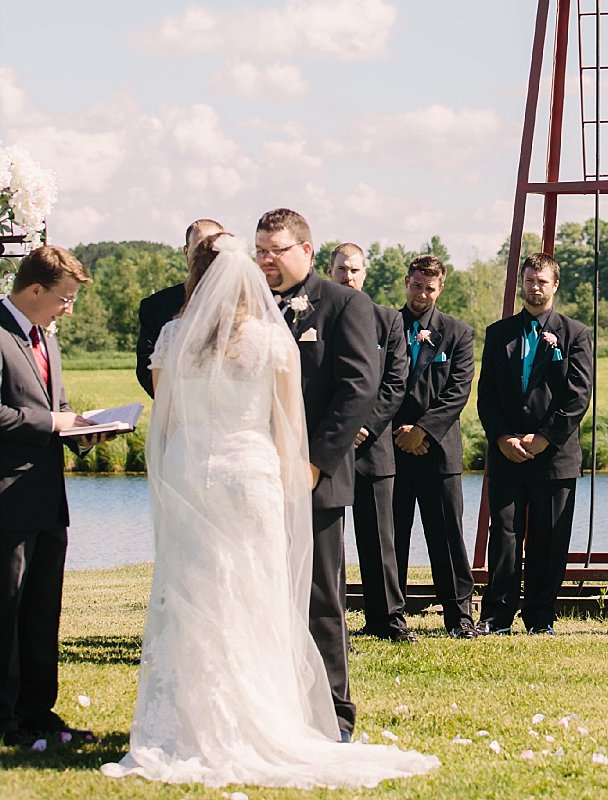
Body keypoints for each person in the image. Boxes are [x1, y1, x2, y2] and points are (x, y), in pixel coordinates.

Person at [100, 234, 437, 787]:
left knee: (193, 594)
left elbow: (170, 419)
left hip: (191, 472)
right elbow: (287, 424)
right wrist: (293, 477)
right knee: (255, 596)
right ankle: (262, 717)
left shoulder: (172, 336)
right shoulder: (270, 339)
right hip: (251, 474)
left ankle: (190, 722)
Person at [251, 207, 378, 738]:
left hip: (314, 479)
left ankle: (332, 715)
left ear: (305, 250)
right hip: (253, 474)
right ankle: (271, 708)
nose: (265, 261)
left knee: (321, 599)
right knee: (260, 594)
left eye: (274, 251)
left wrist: (314, 463)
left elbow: (358, 387)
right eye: (260, 251)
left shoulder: (345, 304)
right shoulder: (251, 305)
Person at [1, 245, 103, 747]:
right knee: (8, 610)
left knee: (43, 608)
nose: (69, 309)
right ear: (35, 289)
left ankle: (40, 712)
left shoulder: (45, 338)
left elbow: (59, 407)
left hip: (48, 497)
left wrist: (85, 430)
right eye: (64, 299)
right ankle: (6, 719)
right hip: (7, 498)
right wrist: (53, 422)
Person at [476, 252, 592, 635]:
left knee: (548, 538)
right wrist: (503, 436)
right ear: (522, 284)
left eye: (542, 281)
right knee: (504, 535)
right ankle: (496, 615)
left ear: (555, 285)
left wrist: (544, 438)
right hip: (507, 454)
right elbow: (486, 395)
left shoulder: (575, 334)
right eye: (529, 281)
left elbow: (578, 396)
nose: (535, 287)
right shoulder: (499, 333)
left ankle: (541, 617)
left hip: (554, 457)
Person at [388, 254, 477, 638]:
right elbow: (375, 384)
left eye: (430, 288)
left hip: (438, 452)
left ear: (441, 288)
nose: (422, 294)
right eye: (416, 285)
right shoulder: (384, 326)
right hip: (389, 449)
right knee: (392, 535)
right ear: (406, 281)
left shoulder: (457, 333)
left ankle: (459, 619)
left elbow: (458, 391)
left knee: (446, 536)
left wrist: (422, 430)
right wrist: (398, 431)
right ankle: (389, 617)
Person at [332, 244, 410, 643]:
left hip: (374, 445)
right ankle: (329, 622)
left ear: (365, 274)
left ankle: (389, 621)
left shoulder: (388, 321)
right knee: (326, 542)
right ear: (329, 271)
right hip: (327, 446)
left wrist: (366, 425)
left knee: (380, 538)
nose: (348, 276)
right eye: (342, 269)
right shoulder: (316, 317)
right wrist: (340, 428)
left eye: (355, 270)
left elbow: (395, 383)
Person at [134, 219, 224, 398]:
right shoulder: (156, 305)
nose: (206, 256)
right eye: (200, 249)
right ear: (186, 251)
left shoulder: (245, 302)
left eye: (213, 250)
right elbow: (146, 365)